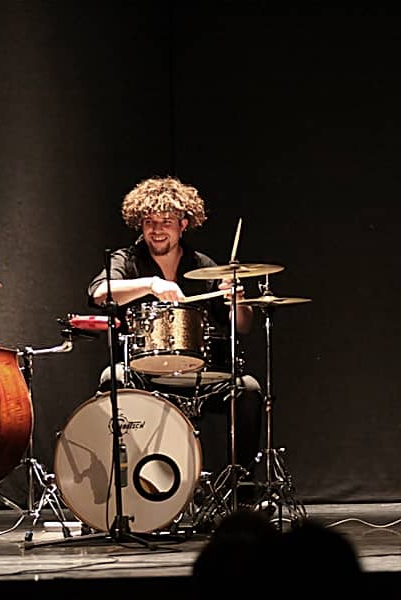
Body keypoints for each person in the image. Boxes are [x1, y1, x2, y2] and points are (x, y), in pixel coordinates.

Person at [85, 176, 265, 515]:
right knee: (112, 378)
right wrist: (151, 284)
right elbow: (99, 293)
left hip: (198, 374)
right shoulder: (127, 260)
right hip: (142, 374)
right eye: (149, 222)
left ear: (183, 224)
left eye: (166, 222)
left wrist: (238, 301)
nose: (156, 230)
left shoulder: (202, 266)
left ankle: (242, 491)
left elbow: (241, 326)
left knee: (249, 390)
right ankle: (124, 490)